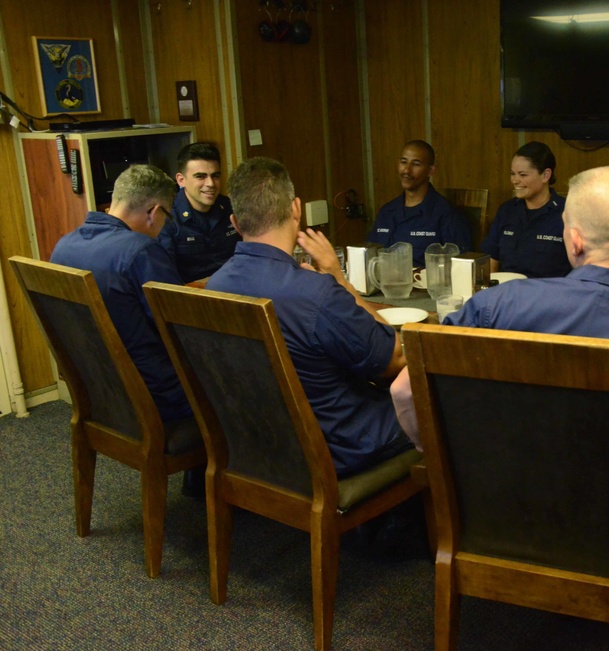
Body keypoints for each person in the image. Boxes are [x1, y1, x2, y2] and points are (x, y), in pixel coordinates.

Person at [392, 165, 609, 488]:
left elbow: (404, 390)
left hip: (490, 511)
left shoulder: (495, 306)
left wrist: (447, 461)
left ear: (575, 240)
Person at [207, 157, 412, 477]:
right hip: (340, 447)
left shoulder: (214, 287)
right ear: (296, 209)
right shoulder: (316, 294)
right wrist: (341, 281)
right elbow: (395, 360)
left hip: (260, 442)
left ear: (235, 222)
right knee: (448, 402)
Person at [51, 164, 191, 424]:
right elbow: (183, 332)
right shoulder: (142, 252)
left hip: (97, 392)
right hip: (156, 399)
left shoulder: (63, 247)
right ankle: (211, 464)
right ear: (154, 212)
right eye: (167, 217)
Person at [366, 140, 471, 267]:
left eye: (416, 164)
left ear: (430, 171)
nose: (406, 170)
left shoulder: (447, 215)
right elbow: (370, 257)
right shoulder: (386, 212)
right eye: (403, 162)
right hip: (382, 284)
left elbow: (460, 268)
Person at [481, 141, 573, 278]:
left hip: (549, 295)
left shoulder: (568, 213)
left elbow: (581, 268)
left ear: (545, 175)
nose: (515, 180)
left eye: (523, 175)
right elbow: (491, 260)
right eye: (512, 174)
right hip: (507, 293)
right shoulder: (507, 210)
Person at [158, 142, 241, 283]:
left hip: (236, 288)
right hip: (193, 297)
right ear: (181, 180)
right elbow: (167, 280)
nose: (210, 184)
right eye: (200, 176)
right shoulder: (167, 217)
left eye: (215, 176)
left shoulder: (230, 207)